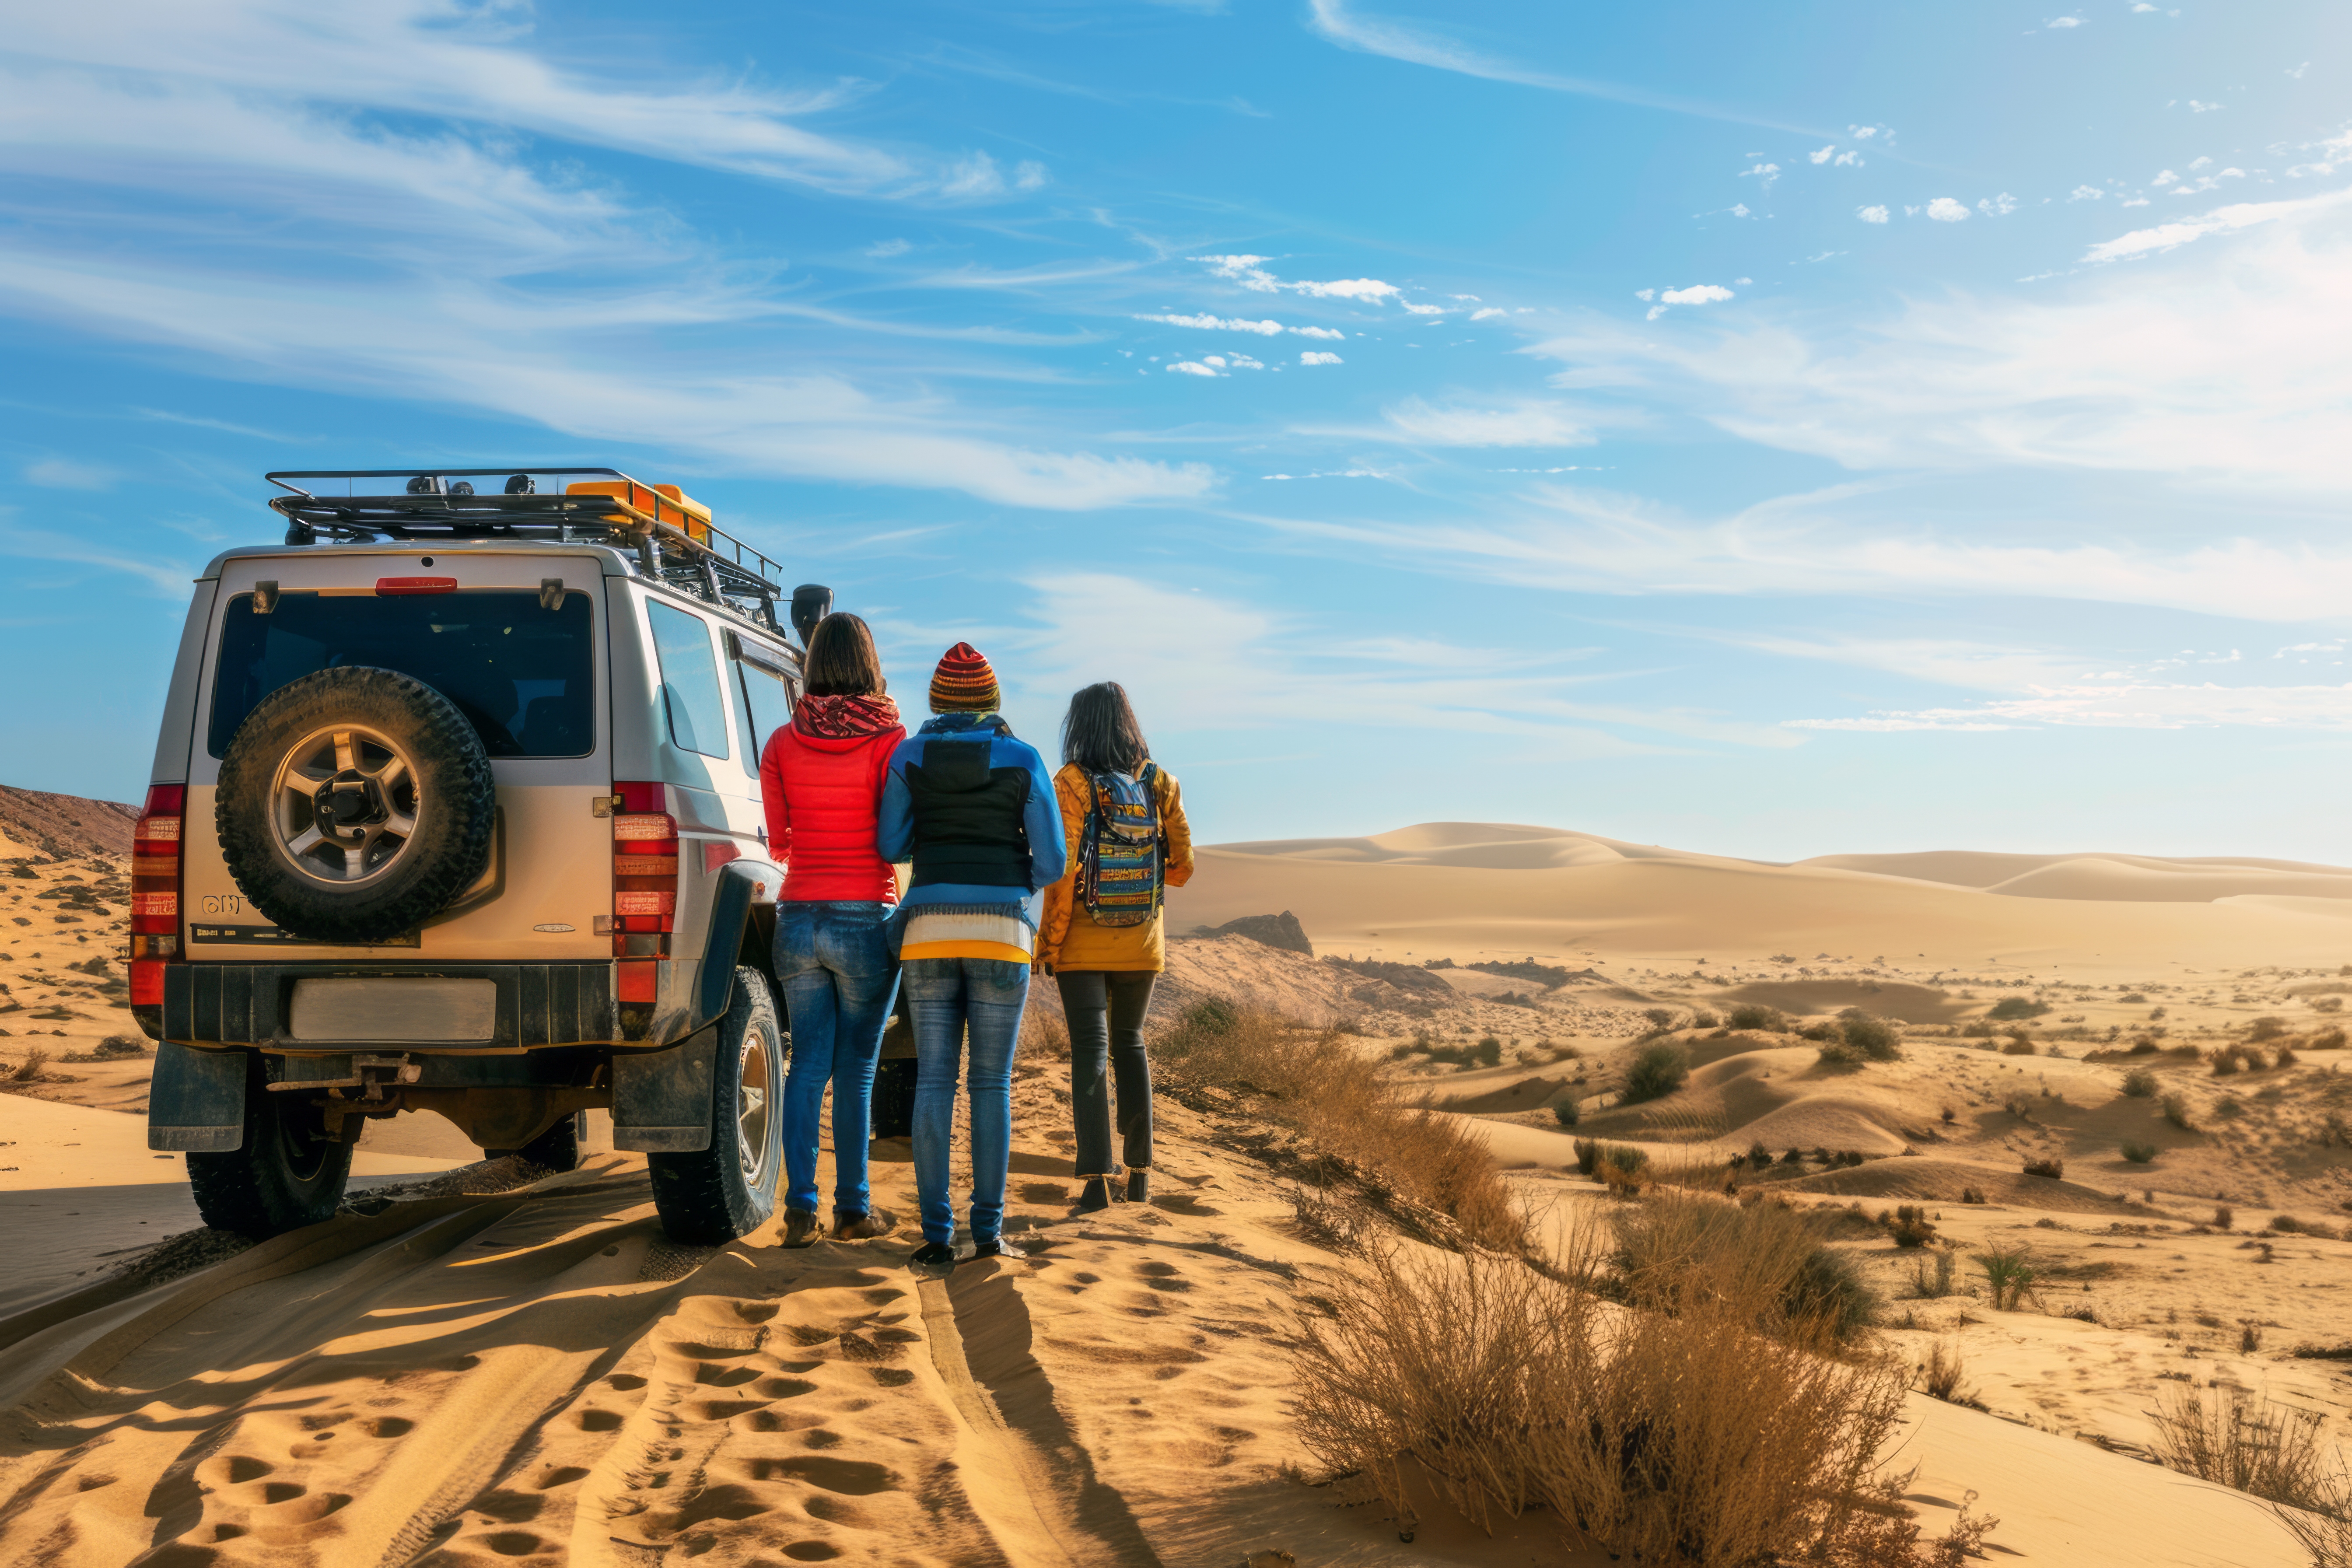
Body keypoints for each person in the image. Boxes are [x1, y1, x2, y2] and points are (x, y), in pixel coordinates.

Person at [876, 642, 1065, 1274]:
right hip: (1001, 934)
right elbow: (1054, 862)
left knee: (935, 1080)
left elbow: (891, 843)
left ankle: (936, 1236)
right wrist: (1014, 877)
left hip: (927, 931)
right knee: (991, 1084)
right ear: (992, 700)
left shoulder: (908, 755)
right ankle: (988, 1233)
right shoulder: (1022, 757)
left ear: (936, 701)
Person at [760, 612, 906, 1249]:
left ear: (812, 664)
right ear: (870, 663)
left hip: (797, 918)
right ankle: (853, 1210)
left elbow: (779, 838)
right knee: (857, 1071)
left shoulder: (781, 742)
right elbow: (896, 835)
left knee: (806, 1066)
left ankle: (799, 1208)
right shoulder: (893, 741)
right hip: (865, 914)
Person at [1037, 682, 1192, 1212]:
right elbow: (1184, 870)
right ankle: (1142, 1172)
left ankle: (1096, 1181)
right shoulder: (1160, 783)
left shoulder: (1072, 784)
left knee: (1090, 1051)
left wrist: (1049, 945)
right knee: (1131, 1042)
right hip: (1143, 943)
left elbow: (1061, 874)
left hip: (1083, 941)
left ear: (1078, 726)